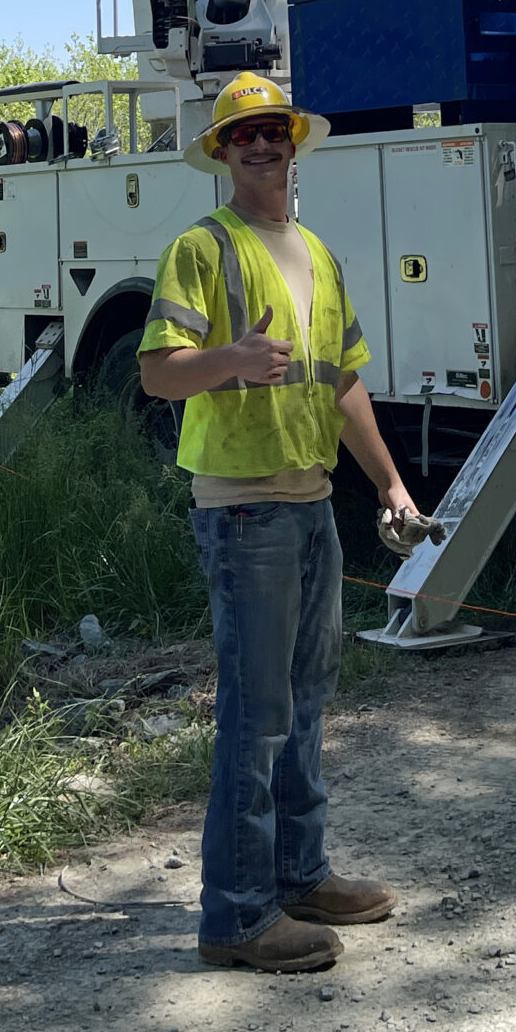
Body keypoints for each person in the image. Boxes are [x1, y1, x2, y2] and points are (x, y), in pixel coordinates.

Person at [138, 73, 418, 973]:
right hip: (244, 508)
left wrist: (391, 486)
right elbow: (157, 376)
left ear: (295, 145)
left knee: (304, 704)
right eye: (243, 135)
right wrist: (230, 358)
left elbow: (340, 383)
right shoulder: (201, 248)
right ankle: (236, 917)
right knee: (255, 717)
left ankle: (300, 875)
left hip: (308, 507)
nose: (261, 146)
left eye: (274, 132)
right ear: (220, 153)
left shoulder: (317, 254)